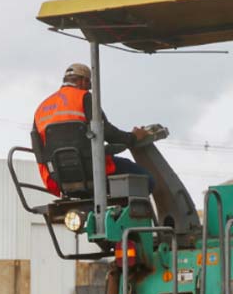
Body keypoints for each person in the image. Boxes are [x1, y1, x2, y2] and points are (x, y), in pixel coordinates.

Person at [32, 62, 151, 196]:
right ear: (83, 81)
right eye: (89, 85)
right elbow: (108, 133)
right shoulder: (84, 98)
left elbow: (38, 150)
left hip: (59, 178)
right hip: (93, 172)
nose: (88, 89)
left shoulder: (41, 108)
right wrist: (133, 137)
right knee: (148, 180)